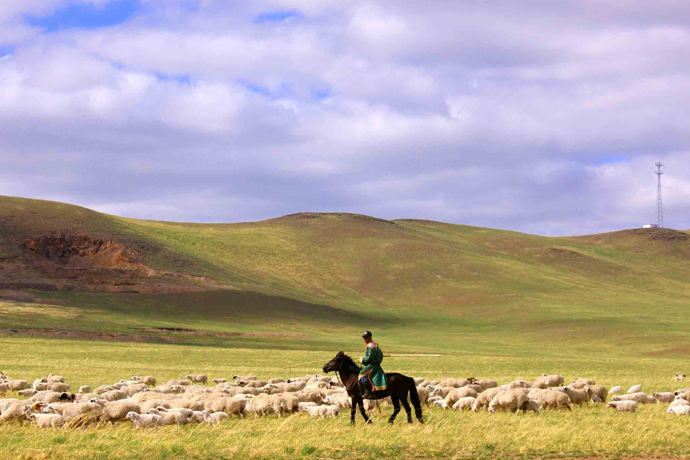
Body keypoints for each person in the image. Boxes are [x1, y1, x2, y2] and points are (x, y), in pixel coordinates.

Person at [359, 331, 387, 398]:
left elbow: (369, 357)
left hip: (372, 365)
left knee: (362, 375)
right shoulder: (375, 344)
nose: (364, 339)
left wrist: (362, 360)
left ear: (370, 337)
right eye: (364, 338)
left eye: (366, 338)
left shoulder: (370, 346)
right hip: (375, 364)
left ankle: (368, 393)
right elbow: (380, 355)